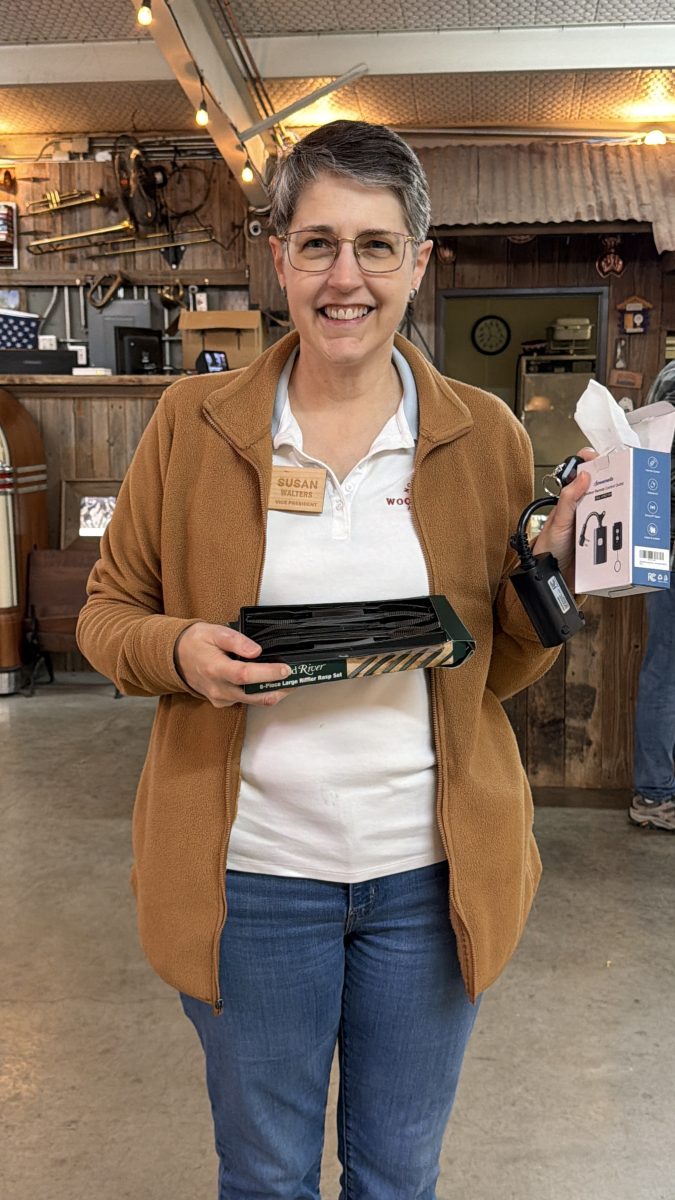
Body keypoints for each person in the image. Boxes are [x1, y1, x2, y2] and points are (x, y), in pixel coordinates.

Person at [77, 120, 591, 1199]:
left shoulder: (485, 435)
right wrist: (178, 649)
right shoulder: (193, 425)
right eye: (317, 244)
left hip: (427, 880)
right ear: (279, 258)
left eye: (374, 246)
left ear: (418, 263)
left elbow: (494, 671)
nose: (344, 277)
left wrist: (543, 583)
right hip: (252, 878)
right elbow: (107, 614)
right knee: (266, 1176)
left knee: (396, 1175)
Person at [630, 360, 675, 831]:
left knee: (664, 672)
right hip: (671, 549)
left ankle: (655, 792)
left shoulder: (668, 376)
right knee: (665, 674)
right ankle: (655, 794)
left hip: (664, 545)